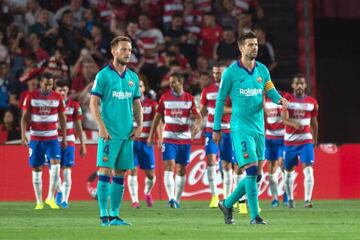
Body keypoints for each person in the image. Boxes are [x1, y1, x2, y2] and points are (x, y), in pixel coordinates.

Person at [213, 31, 288, 225]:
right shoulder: (230, 72)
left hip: (259, 128)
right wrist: (216, 128)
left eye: (256, 44)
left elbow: (270, 91)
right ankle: (255, 217)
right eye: (250, 45)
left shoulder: (262, 70)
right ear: (241, 48)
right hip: (240, 128)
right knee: (252, 170)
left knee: (257, 175)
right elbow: (221, 100)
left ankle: (227, 203)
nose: (254, 47)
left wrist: (279, 100)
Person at [89, 36, 143, 226]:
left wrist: (140, 125)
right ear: (114, 51)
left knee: (120, 173)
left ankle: (114, 215)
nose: (127, 53)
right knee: (105, 171)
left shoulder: (133, 77)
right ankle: (103, 216)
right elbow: (93, 102)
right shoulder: (103, 75)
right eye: (123, 49)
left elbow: (137, 103)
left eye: (129, 50)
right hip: (109, 133)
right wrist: (101, 126)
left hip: (127, 134)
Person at [148, 72, 202, 208]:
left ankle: (177, 199)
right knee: (169, 166)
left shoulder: (189, 99)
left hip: (184, 139)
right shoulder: (165, 98)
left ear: (180, 82)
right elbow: (157, 117)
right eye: (170, 82)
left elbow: (199, 117)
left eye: (173, 82)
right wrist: (151, 135)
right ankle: (171, 198)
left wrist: (196, 125)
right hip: (169, 138)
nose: (170, 84)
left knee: (181, 170)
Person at [20, 72, 67, 210]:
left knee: (56, 165)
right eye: (46, 84)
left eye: (51, 84)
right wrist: (23, 135)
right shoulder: (31, 97)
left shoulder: (57, 97)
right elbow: (24, 118)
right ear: (40, 83)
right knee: (37, 169)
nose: (49, 87)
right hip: (36, 138)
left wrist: (63, 137)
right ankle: (39, 202)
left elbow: (62, 118)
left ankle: (50, 198)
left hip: (52, 138)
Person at [199, 62, 236, 208]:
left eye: (219, 73)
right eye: (214, 73)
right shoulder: (207, 90)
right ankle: (214, 195)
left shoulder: (232, 89)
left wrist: (220, 110)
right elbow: (202, 110)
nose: (216, 76)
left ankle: (227, 198)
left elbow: (235, 108)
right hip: (210, 130)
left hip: (227, 130)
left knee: (227, 165)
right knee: (210, 161)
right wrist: (197, 121)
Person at [281, 73, 318, 208]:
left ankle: (307, 200)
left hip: (306, 141)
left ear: (305, 85)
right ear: (292, 85)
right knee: (288, 171)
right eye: (297, 83)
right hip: (290, 142)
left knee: (308, 169)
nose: (299, 86)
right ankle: (290, 199)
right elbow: (284, 119)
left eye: (302, 83)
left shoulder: (312, 102)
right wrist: (293, 124)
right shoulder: (286, 100)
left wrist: (315, 140)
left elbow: (314, 123)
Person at [127, 79, 161, 209]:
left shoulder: (152, 104)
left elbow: (157, 121)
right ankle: (135, 200)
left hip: (146, 143)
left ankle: (147, 192)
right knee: (132, 171)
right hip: (131, 142)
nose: (137, 88)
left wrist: (158, 137)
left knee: (150, 175)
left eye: (140, 86)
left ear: (143, 88)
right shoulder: (127, 103)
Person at [53, 79, 86, 208]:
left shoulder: (74, 105)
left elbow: (79, 126)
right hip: (53, 140)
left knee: (66, 171)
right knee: (54, 171)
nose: (62, 92)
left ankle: (65, 200)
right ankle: (60, 192)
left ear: (68, 91)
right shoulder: (51, 104)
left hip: (70, 140)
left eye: (64, 90)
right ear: (55, 91)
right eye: (59, 90)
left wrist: (82, 144)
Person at [264, 90, 289, 207]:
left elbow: (285, 117)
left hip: (282, 137)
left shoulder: (280, 98)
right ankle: (274, 198)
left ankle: (286, 194)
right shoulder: (261, 99)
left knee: (283, 165)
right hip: (269, 138)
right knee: (271, 168)